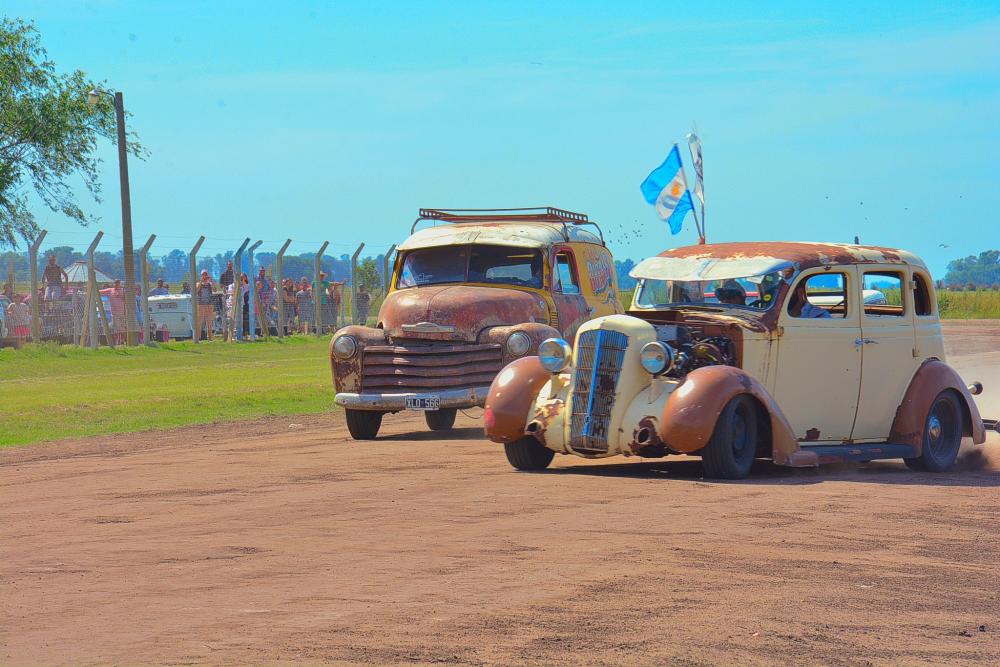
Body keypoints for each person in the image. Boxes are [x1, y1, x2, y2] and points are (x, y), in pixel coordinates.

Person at [100, 279, 127, 344]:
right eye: (115, 283)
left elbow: (127, 298)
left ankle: (123, 340)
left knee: (122, 328)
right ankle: (117, 342)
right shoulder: (110, 290)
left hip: (123, 313)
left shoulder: (123, 291)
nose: (116, 285)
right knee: (116, 328)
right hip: (115, 314)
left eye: (117, 283)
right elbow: (100, 292)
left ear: (120, 284)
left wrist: (123, 297)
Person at [195, 270, 215, 340]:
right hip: (201, 304)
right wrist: (201, 281)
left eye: (206, 274)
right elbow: (196, 290)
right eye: (203, 274)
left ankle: (210, 337)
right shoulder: (198, 283)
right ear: (201, 275)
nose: (205, 276)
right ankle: (198, 337)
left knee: (209, 321)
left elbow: (215, 290)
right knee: (200, 321)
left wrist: (211, 281)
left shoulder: (210, 284)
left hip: (209, 304)